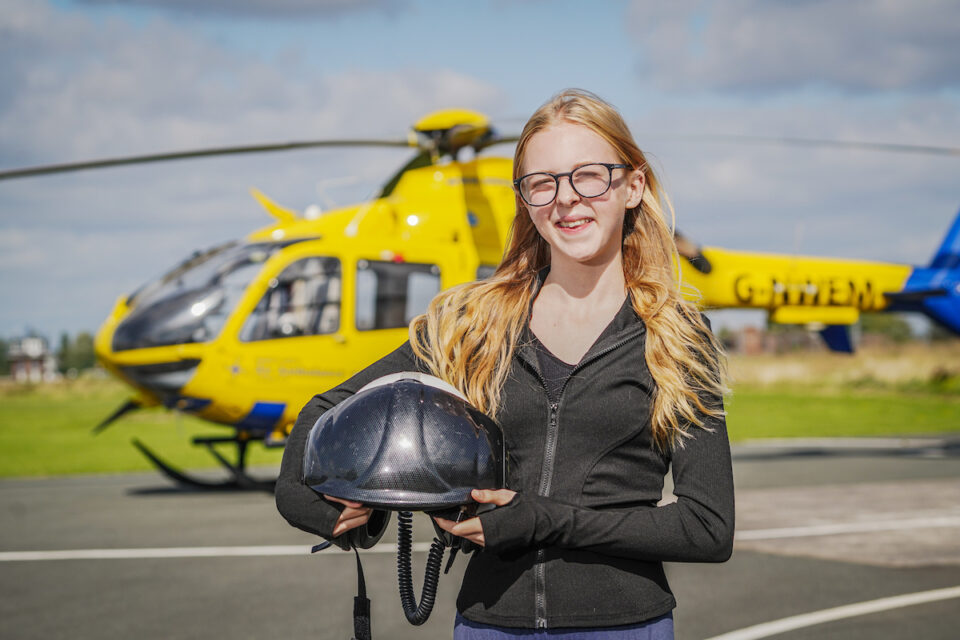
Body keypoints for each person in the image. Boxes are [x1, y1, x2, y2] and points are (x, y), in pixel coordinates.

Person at [276, 88, 735, 639]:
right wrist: (300, 495)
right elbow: (330, 407)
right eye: (542, 183)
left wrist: (542, 519)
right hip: (487, 626)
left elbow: (708, 528)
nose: (566, 199)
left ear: (632, 185)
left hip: (624, 627)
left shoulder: (678, 337)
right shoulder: (474, 326)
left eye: (589, 175)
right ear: (524, 199)